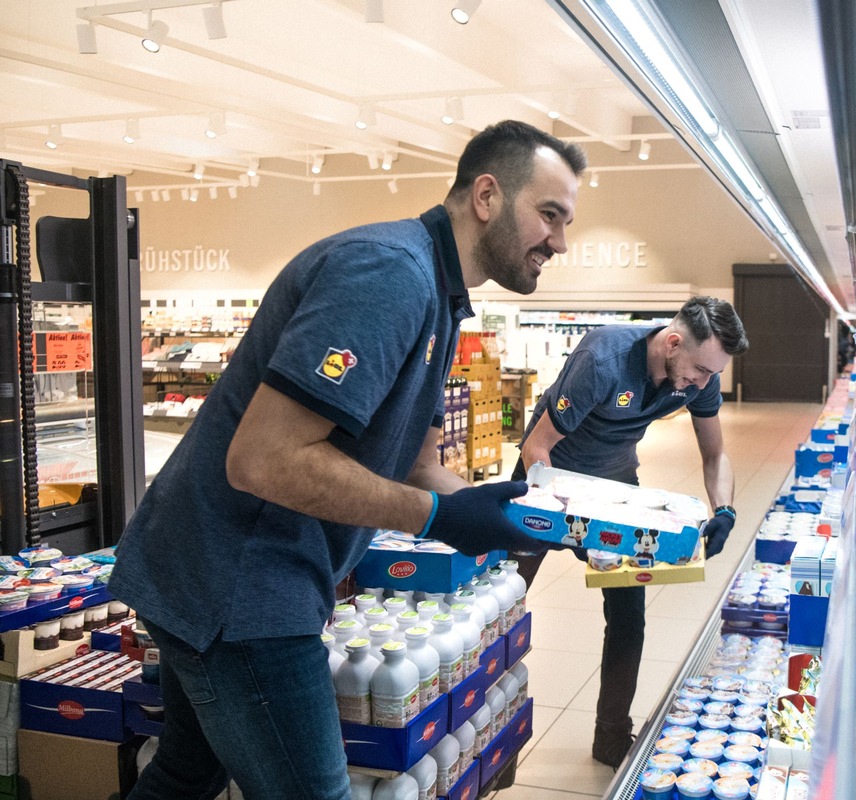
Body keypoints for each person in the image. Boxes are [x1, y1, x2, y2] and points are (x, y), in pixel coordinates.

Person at [108, 120, 587, 800]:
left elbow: (420, 466)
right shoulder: (390, 275)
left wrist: (553, 525)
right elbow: (265, 460)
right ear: (487, 195)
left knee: (188, 772)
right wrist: (436, 518)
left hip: (222, 570)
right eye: (550, 216)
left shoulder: (441, 299)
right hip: (239, 587)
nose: (559, 243)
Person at [513, 296, 749, 768]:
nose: (704, 383)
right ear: (674, 341)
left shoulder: (700, 374)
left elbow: (715, 454)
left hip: (618, 491)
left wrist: (724, 509)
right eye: (700, 370)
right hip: (544, 483)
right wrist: (570, 517)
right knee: (499, 606)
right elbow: (538, 446)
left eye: (711, 374)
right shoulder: (602, 360)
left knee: (628, 618)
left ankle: (611, 738)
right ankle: (483, 733)